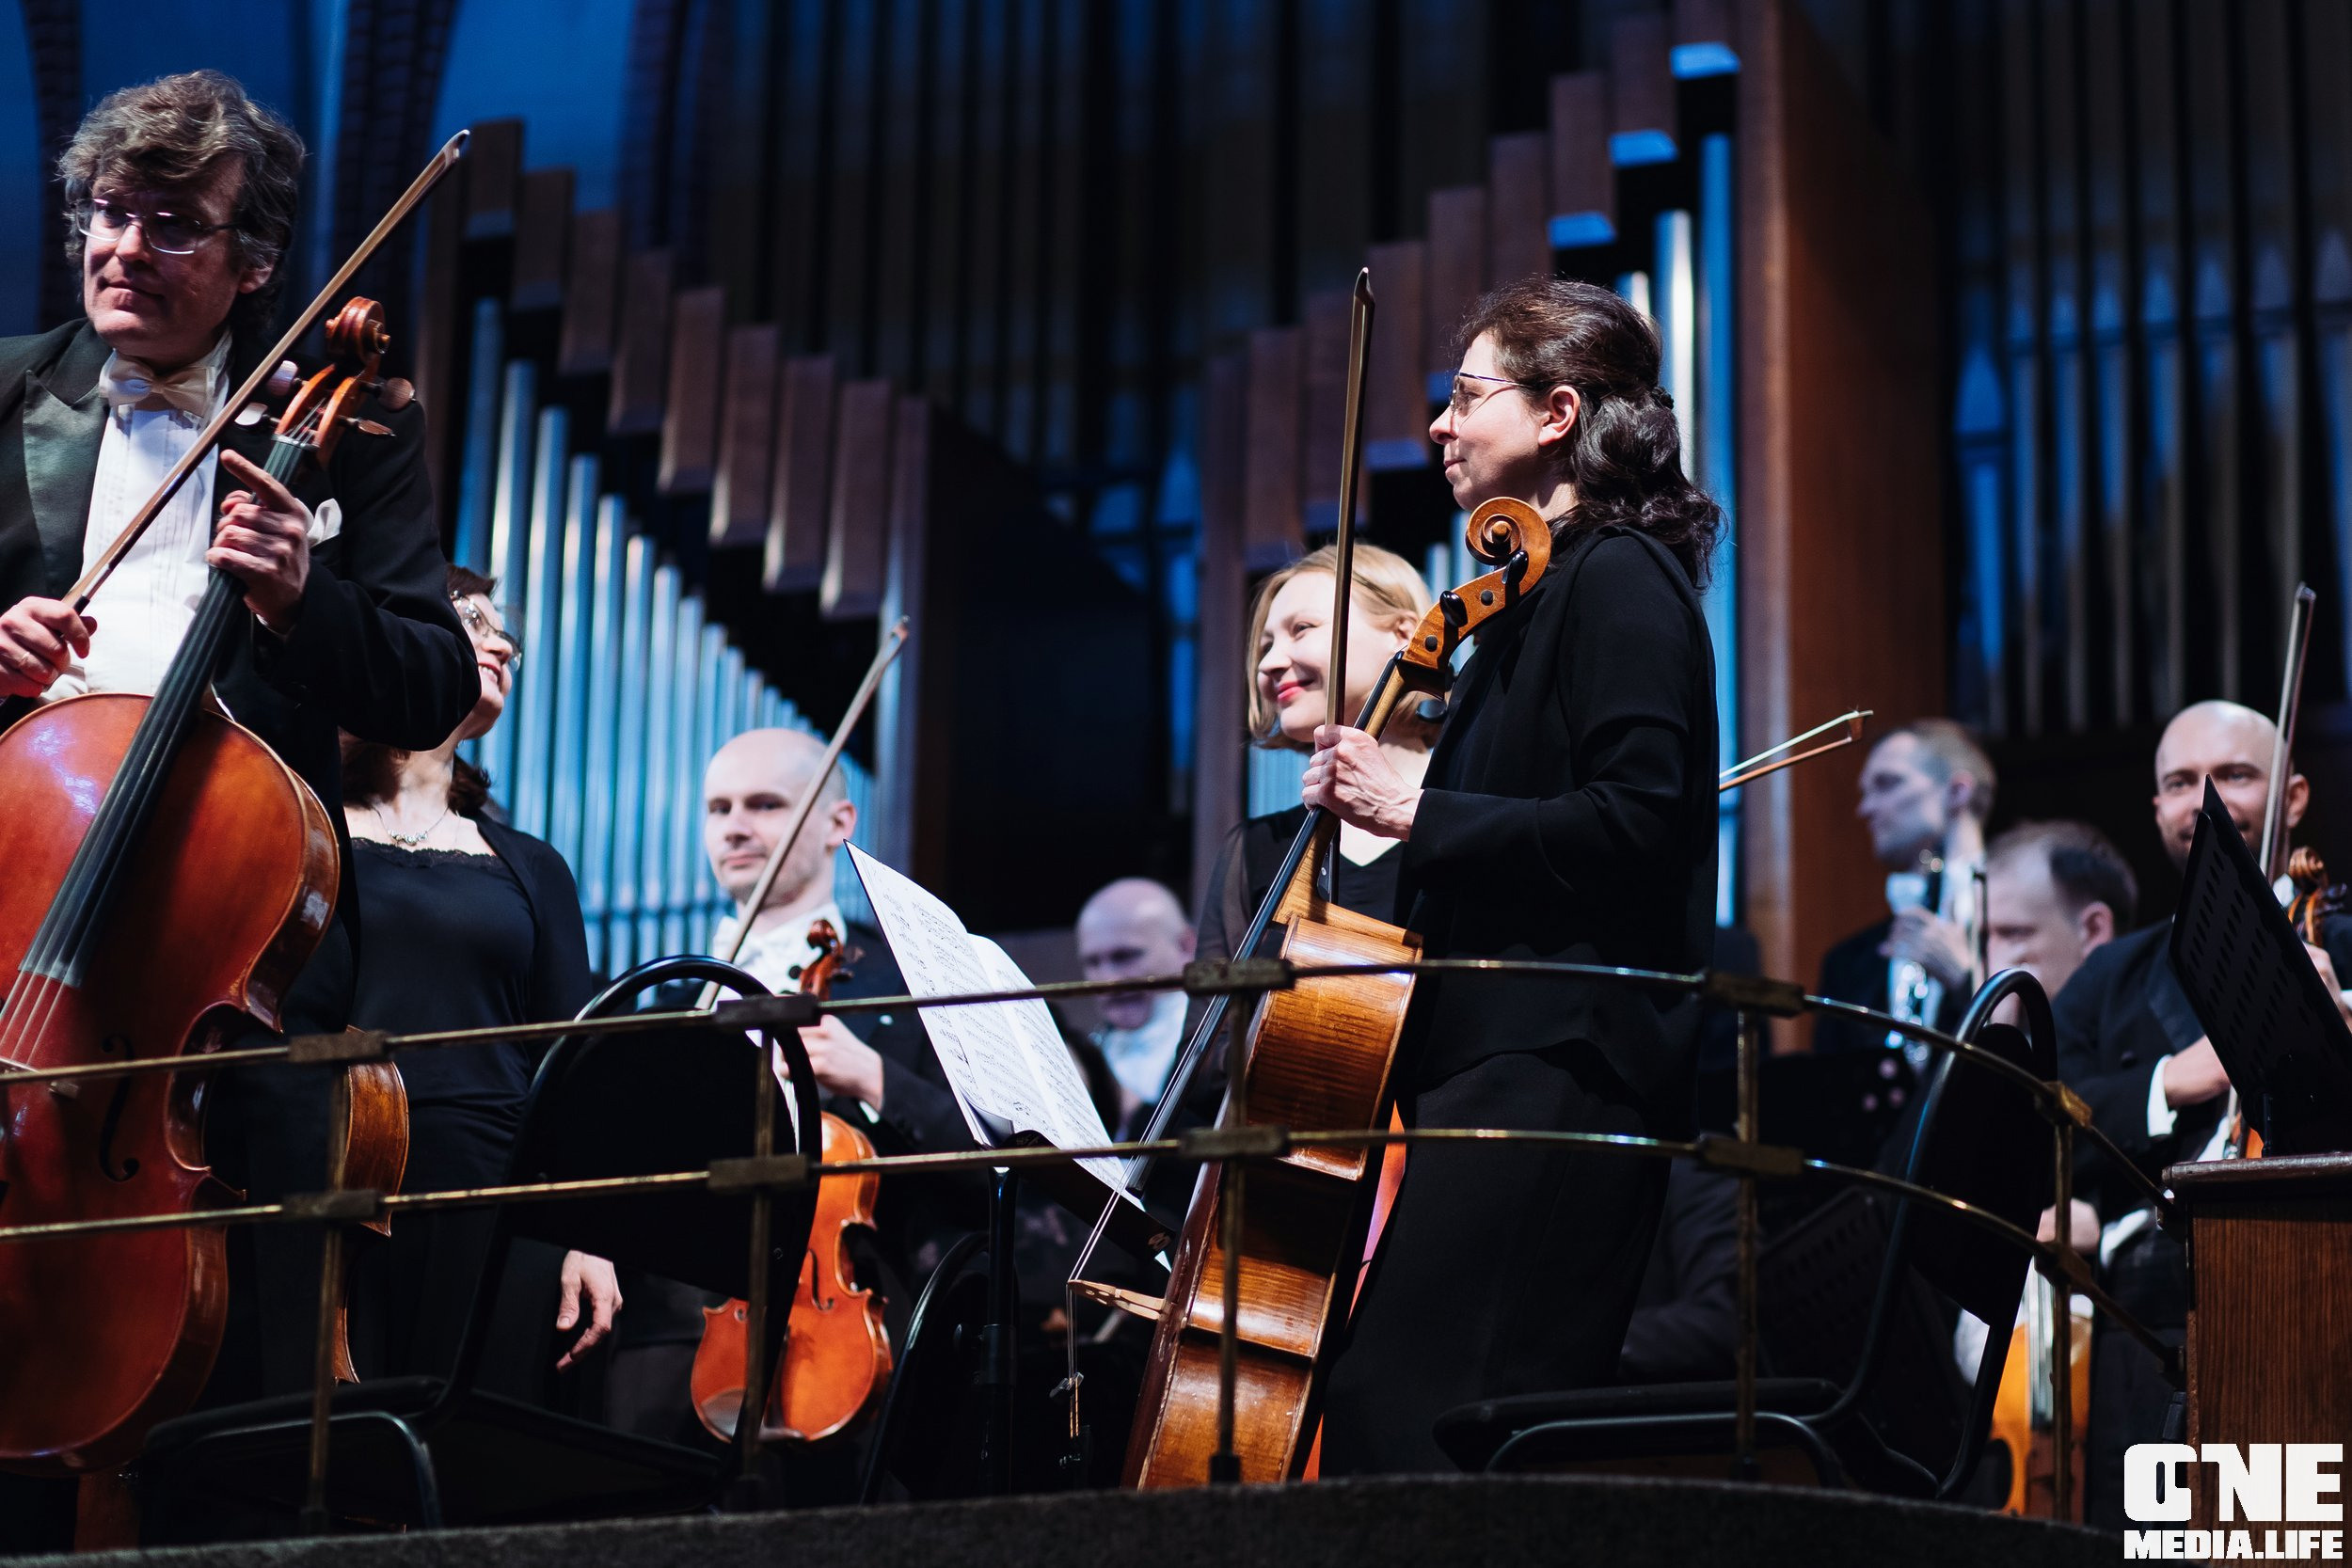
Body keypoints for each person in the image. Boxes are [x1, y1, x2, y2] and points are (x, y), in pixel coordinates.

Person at [0, 70, 473, 1426]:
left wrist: (299, 598)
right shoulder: (6, 390)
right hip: (11, 906)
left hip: (228, 952)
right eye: (108, 212)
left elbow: (430, 682)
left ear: (258, 258)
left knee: (233, 1375)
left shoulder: (359, 426)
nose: (124, 247)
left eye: (171, 223)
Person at [1301, 276, 1720, 1473]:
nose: (1437, 425)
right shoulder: (1527, 605)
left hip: (1563, 1066)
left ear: (1556, 413)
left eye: (1465, 395)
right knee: (1415, 1413)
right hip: (1504, 1064)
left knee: (1423, 1415)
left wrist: (1412, 801)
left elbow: (1634, 820)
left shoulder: (1618, 574)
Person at [602, 728, 980, 1465]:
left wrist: (874, 1077)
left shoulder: (907, 983)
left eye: (766, 804)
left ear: (840, 823)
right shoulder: (662, 999)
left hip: (849, 1335)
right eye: (719, 808)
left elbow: (988, 1167)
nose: (736, 826)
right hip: (670, 1336)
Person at [2055, 701, 2352, 1529]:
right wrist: (2165, 1083)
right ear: (2156, 809)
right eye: (2180, 782)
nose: (2204, 800)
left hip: (2317, 1306)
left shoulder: (2341, 943)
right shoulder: (2110, 976)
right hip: (2143, 1332)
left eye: (2234, 775)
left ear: (2292, 799)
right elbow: (2044, 1112)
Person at [337, 567, 618, 1398]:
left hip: (498, 1198)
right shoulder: (299, 819)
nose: (500, 642)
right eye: (470, 619)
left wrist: (587, 1233)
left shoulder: (532, 865)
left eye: (505, 633)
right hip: (337, 1172)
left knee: (471, 1460)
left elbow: (575, 1066)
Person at [1813, 721, 1997, 1058]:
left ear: (1957, 791)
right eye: (1865, 792)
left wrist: (1965, 984)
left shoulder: (2018, 924)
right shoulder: (1846, 962)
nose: (1865, 809)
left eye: (1887, 784)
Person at [1073, 877, 1197, 1129]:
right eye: (1093, 963)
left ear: (1185, 946)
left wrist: (1125, 1106)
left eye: (1125, 956)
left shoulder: (1220, 1046)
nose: (1108, 980)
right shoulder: (1091, 1048)